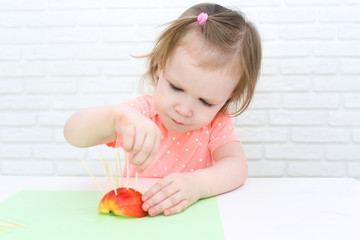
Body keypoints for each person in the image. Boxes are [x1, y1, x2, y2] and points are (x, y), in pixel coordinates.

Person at [64, 3, 262, 217]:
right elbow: (73, 134)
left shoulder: (217, 123)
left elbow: (236, 165)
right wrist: (116, 118)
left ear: (229, 95)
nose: (184, 109)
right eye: (176, 87)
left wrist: (197, 185)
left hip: (193, 219)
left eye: (206, 102)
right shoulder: (140, 114)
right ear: (161, 66)